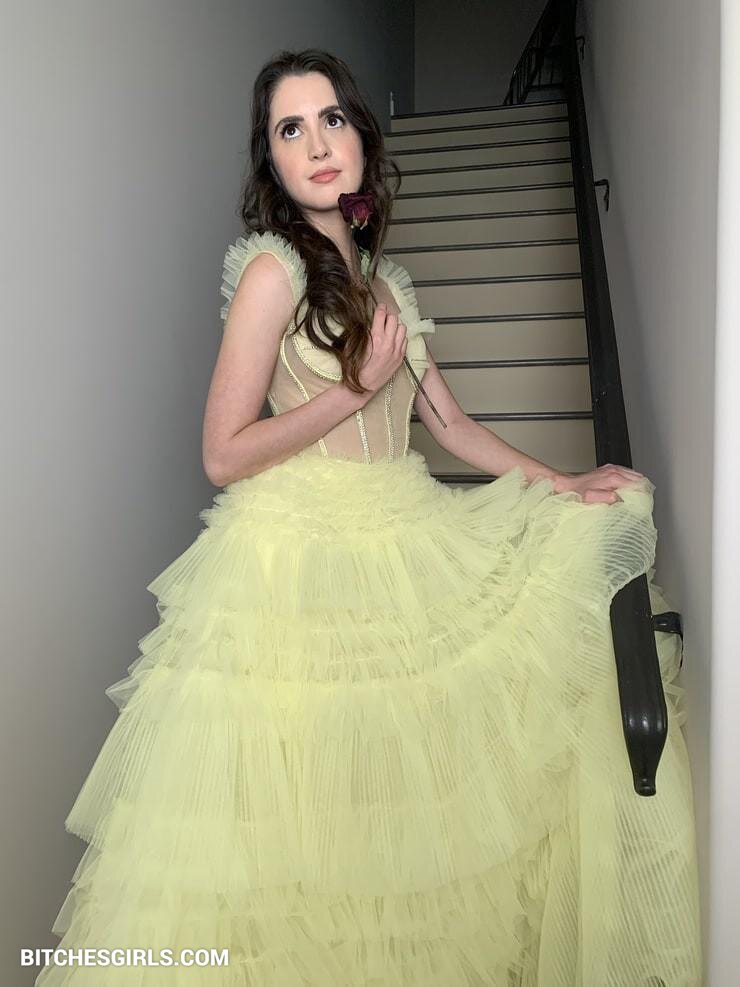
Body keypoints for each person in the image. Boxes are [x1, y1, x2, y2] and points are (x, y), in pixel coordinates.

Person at [37, 48, 702, 986]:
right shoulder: (271, 272)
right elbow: (223, 451)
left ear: (361, 136)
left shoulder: (390, 284)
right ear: (271, 160)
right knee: (311, 824)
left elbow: (451, 427)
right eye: (290, 129)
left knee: (401, 816)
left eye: (331, 120)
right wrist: (354, 390)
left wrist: (565, 480)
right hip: (300, 556)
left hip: (403, 530)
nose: (316, 145)